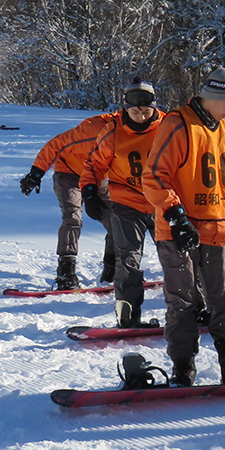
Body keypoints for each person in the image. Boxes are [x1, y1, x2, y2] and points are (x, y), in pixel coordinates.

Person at [141, 67, 225, 386]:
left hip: (219, 230)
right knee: (182, 300)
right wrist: (176, 216)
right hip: (178, 231)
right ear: (214, 95)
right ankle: (183, 364)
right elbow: (154, 176)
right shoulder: (178, 124)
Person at [82, 82, 166, 326]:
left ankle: (194, 308)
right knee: (128, 259)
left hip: (163, 202)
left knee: (176, 256)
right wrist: (89, 192)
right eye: (135, 112)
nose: (141, 116)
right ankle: (128, 314)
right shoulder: (112, 132)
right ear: (125, 109)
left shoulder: (167, 127)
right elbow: (94, 165)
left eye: (146, 111)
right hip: (127, 203)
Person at [21, 108, 121, 290]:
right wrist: (35, 173)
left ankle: (112, 268)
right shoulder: (93, 132)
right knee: (73, 217)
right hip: (69, 175)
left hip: (97, 179)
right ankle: (66, 270)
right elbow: (55, 145)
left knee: (116, 218)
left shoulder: (137, 135)